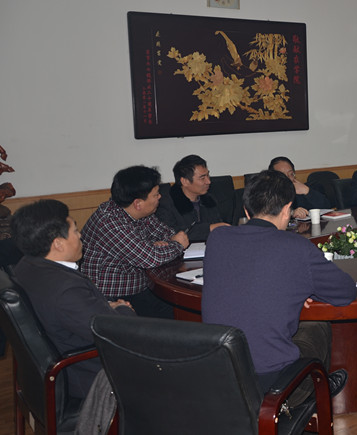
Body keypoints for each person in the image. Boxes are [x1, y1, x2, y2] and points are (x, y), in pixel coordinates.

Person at [201, 170, 355, 405]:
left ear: (246, 210)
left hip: (219, 372)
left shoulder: (217, 238)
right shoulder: (296, 247)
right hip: (271, 383)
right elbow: (345, 292)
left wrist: (293, 288)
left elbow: (249, 275)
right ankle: (315, 391)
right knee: (317, 325)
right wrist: (302, 288)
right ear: (287, 210)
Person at [11, 199, 135, 399]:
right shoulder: (66, 290)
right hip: (91, 376)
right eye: (75, 231)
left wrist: (104, 307)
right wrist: (123, 308)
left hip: (60, 361)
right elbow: (122, 335)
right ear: (58, 244)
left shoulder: (26, 266)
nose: (80, 236)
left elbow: (77, 314)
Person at [81, 166, 188, 318]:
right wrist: (177, 245)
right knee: (174, 313)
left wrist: (160, 245)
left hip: (140, 286)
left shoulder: (138, 212)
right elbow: (150, 258)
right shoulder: (110, 222)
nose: (159, 197)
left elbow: (167, 233)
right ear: (138, 203)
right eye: (155, 195)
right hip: (113, 297)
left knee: (178, 309)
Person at [155, 154, 229, 242]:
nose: (208, 181)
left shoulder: (209, 200)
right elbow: (171, 235)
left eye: (208, 175)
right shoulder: (166, 204)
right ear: (185, 181)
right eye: (202, 178)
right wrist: (209, 228)